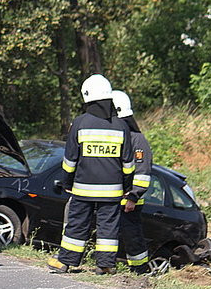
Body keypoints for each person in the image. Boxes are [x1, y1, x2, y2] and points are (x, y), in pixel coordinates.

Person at [48, 75, 134, 275]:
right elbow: (128, 163)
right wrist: (127, 187)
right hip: (112, 191)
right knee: (108, 230)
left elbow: (70, 160)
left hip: (83, 188)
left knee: (77, 225)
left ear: (87, 96)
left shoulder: (80, 123)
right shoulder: (121, 126)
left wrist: (66, 182)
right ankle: (105, 265)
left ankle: (66, 262)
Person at [112, 90, 153, 274]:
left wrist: (133, 196)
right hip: (111, 198)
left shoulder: (137, 140)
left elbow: (143, 172)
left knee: (133, 237)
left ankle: (140, 270)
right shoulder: (116, 135)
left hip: (129, 202)